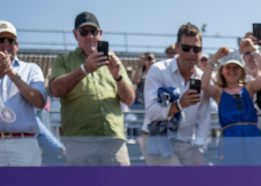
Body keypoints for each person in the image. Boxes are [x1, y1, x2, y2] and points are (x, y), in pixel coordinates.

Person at [49, 12, 135, 165]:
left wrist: (118, 76)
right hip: (79, 142)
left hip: (113, 141)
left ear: (100, 34)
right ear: (76, 35)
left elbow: (129, 99)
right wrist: (84, 69)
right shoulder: (63, 60)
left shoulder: (114, 61)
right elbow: (55, 89)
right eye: (84, 32)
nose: (89, 36)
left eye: (93, 32)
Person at [142, 22, 211, 165]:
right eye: (186, 48)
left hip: (186, 144)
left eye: (196, 49)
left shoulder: (202, 78)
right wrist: (179, 105)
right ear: (177, 47)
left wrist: (199, 149)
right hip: (158, 139)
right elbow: (152, 113)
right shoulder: (158, 70)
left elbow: (203, 118)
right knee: (175, 180)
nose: (192, 53)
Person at [202, 38, 261, 165]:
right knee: (233, 177)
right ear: (222, 71)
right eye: (228, 68)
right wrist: (214, 58)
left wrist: (254, 50)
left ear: (242, 71)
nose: (232, 71)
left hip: (252, 136)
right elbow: (204, 85)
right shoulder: (219, 92)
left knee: (257, 175)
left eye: (236, 68)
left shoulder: (248, 87)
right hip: (230, 138)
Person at [0, 20, 46, 166]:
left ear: (17, 46)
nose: (6, 44)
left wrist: (11, 73)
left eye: (10, 40)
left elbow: (39, 101)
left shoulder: (31, 69)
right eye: (1, 40)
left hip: (24, 143)